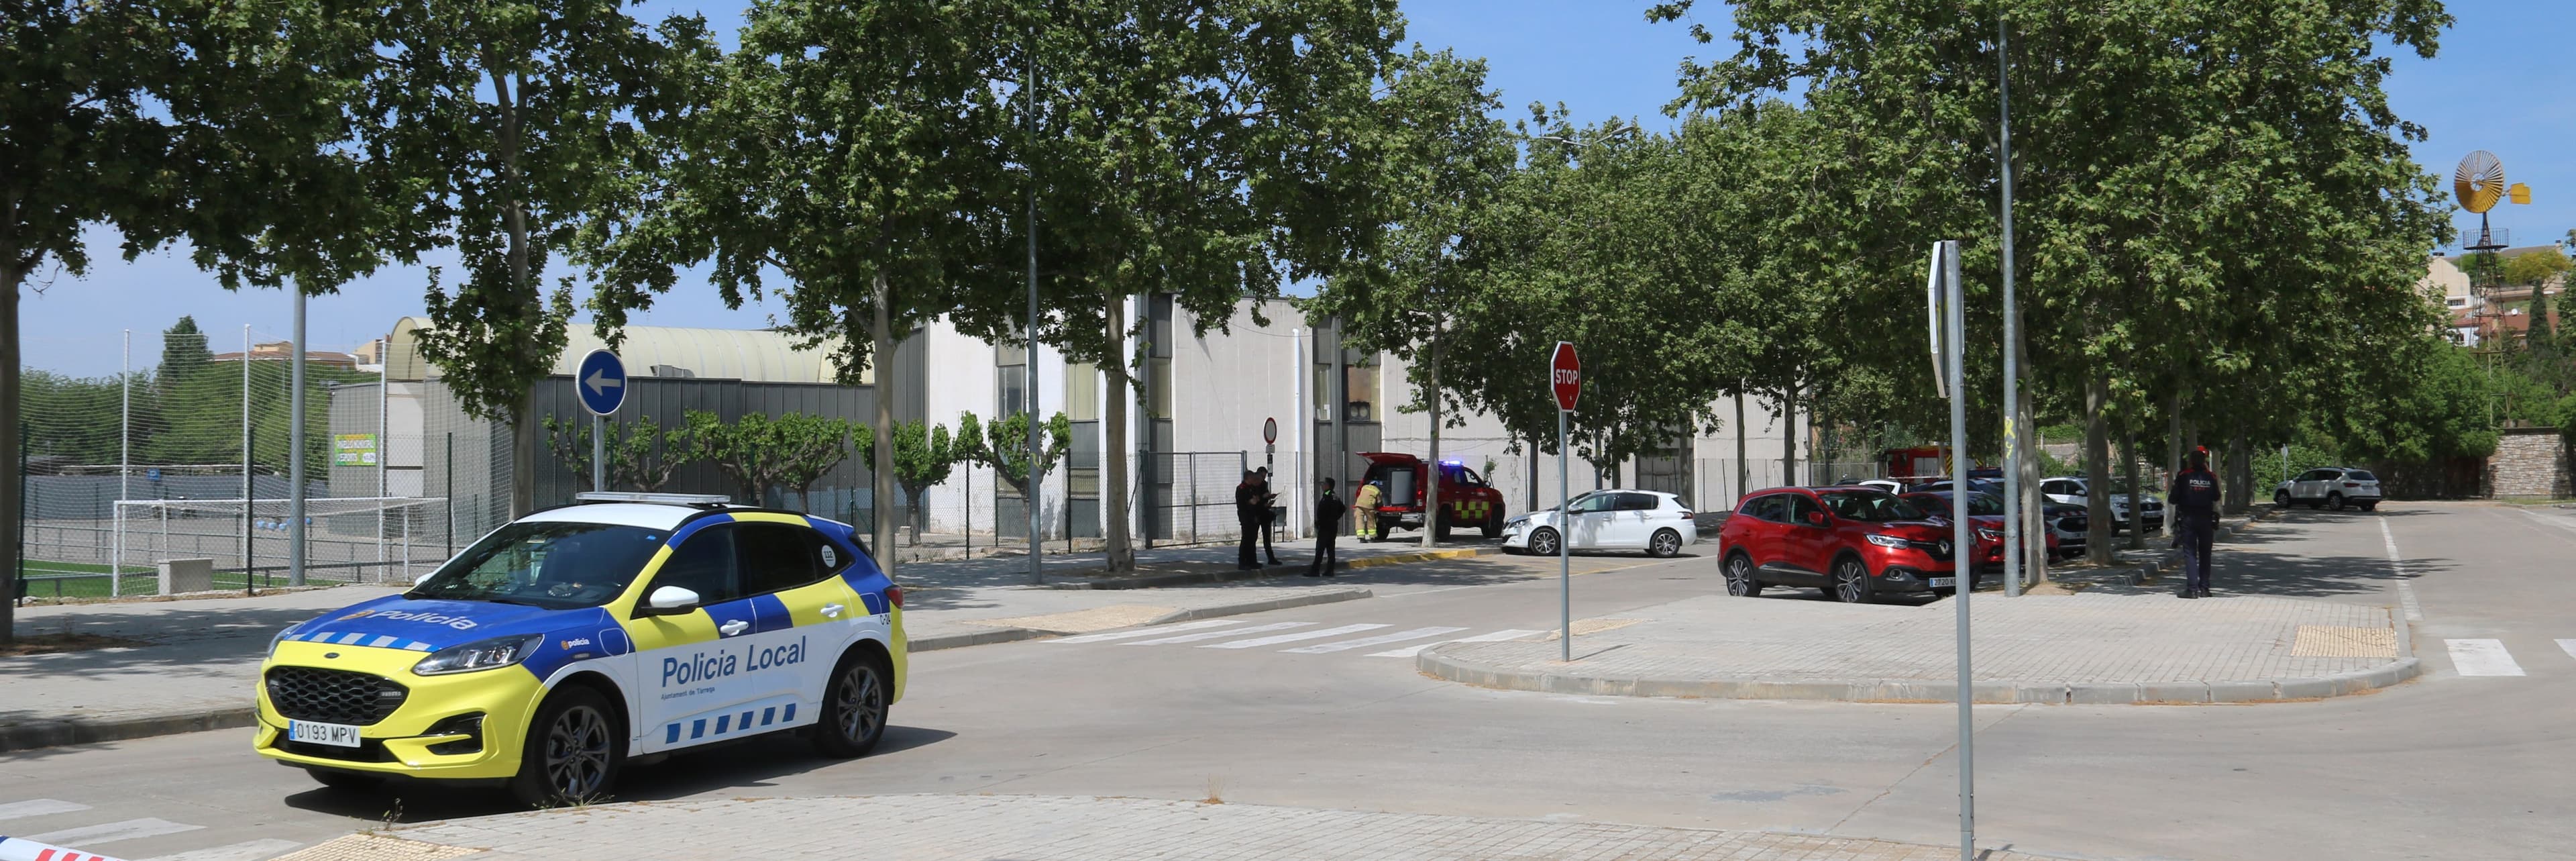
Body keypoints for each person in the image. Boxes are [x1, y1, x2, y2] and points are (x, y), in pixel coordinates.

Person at [2167, 446, 2222, 598]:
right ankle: (2205, 589)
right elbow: (2217, 496)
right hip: (2206, 519)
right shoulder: (2211, 476)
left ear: (2191, 461)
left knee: (2190, 553)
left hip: (2188, 518)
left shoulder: (2184, 475)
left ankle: (2192, 590)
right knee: (2206, 553)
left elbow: (2173, 498)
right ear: (2204, 461)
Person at [1307, 478, 1346, 576]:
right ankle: (1330, 570)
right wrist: (1335, 518)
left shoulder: (1329, 496)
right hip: (1332, 526)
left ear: (1328, 486)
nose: (1322, 485)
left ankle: (1315, 571)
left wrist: (1330, 519)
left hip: (1326, 527)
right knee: (1330, 549)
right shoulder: (1333, 496)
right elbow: (1342, 508)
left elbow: (1341, 509)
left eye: (1324, 484)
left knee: (1320, 549)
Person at [1234, 469, 1263, 570]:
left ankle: (1252, 561)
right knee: (1246, 539)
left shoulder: (1251, 488)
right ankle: (1242, 562)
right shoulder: (1242, 488)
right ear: (1248, 478)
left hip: (1252, 516)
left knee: (1252, 539)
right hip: (1245, 516)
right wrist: (1253, 501)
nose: (1253, 479)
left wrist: (1255, 500)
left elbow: (1257, 499)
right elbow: (1250, 501)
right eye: (1252, 478)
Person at [1255, 467, 1283, 566]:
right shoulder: (1254, 485)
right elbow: (1255, 499)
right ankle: (1252, 559)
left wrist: (1270, 497)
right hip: (1257, 512)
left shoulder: (1264, 484)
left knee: (1267, 538)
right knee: (1253, 538)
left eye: (1264, 476)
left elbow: (1265, 495)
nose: (1263, 479)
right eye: (1262, 476)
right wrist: (1263, 498)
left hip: (1264, 512)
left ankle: (1271, 558)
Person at [1350, 479, 1384, 543]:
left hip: (1359, 505)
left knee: (1359, 520)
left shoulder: (1364, 487)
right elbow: (1379, 502)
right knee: (1371, 521)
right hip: (1369, 506)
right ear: (1377, 485)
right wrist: (1379, 506)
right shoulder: (1377, 491)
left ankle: (1361, 537)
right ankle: (1372, 537)